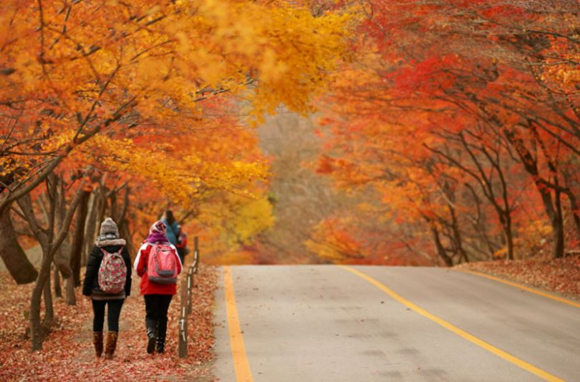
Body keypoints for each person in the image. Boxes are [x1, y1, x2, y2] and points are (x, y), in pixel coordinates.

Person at [82, 218, 132, 360]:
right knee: (113, 320)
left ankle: (98, 351)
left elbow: (90, 270)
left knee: (98, 318)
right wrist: (126, 291)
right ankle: (109, 352)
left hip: (98, 292)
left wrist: (86, 290)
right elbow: (128, 272)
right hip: (118, 291)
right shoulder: (123, 248)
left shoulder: (97, 247)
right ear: (116, 232)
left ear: (102, 231)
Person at [134, 220, 182, 354]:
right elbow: (179, 268)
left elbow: (137, 267)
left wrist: (144, 274)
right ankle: (160, 345)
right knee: (163, 315)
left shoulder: (145, 247)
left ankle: (151, 334)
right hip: (167, 286)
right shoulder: (171, 247)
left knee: (150, 313)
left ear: (152, 231)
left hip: (150, 285)